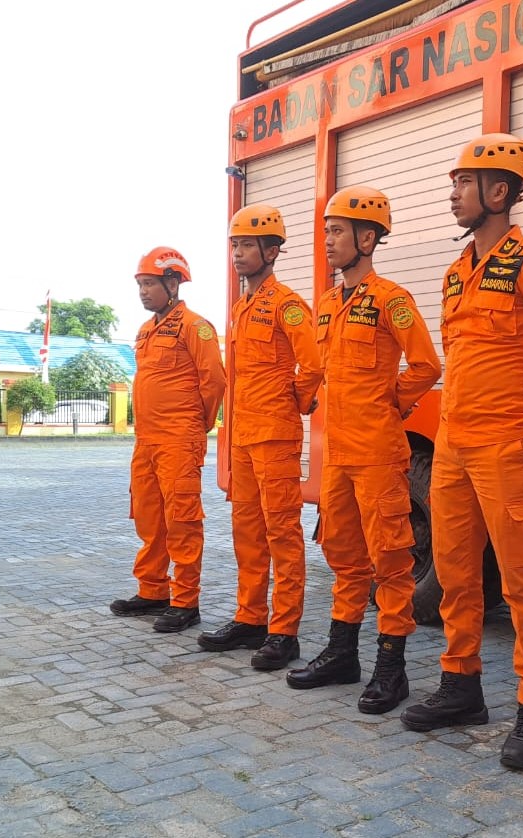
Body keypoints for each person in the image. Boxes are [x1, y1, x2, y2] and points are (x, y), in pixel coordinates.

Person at [400, 134, 523, 770]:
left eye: (463, 183)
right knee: (455, 572)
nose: (452, 194)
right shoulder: (458, 272)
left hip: (506, 445)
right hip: (454, 444)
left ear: (499, 191)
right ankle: (462, 687)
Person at [285, 187, 440, 713]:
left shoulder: (392, 299)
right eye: (326, 230)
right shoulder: (327, 305)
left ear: (367, 238)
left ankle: (390, 670)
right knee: (344, 557)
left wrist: (386, 405)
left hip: (378, 452)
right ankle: (341, 654)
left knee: (392, 563)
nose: (327, 240)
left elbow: (426, 366)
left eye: (337, 231)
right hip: (339, 456)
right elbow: (319, 371)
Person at [196, 204, 323, 669]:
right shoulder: (241, 307)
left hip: (274, 436)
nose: (238, 253)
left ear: (271, 251)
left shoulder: (287, 305)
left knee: (281, 533)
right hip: (244, 436)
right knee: (247, 533)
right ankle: (250, 617)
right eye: (235, 245)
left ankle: (284, 631)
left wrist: (296, 403)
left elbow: (312, 364)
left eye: (248, 245)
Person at [110, 247, 226, 634]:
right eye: (140, 284)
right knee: (149, 517)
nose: (143, 292)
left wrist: (196, 426)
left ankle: (185, 600)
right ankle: (152, 590)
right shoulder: (146, 330)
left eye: (150, 284)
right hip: (147, 442)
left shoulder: (196, 327)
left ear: (173, 282)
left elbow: (215, 381)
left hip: (178, 440)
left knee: (182, 521)